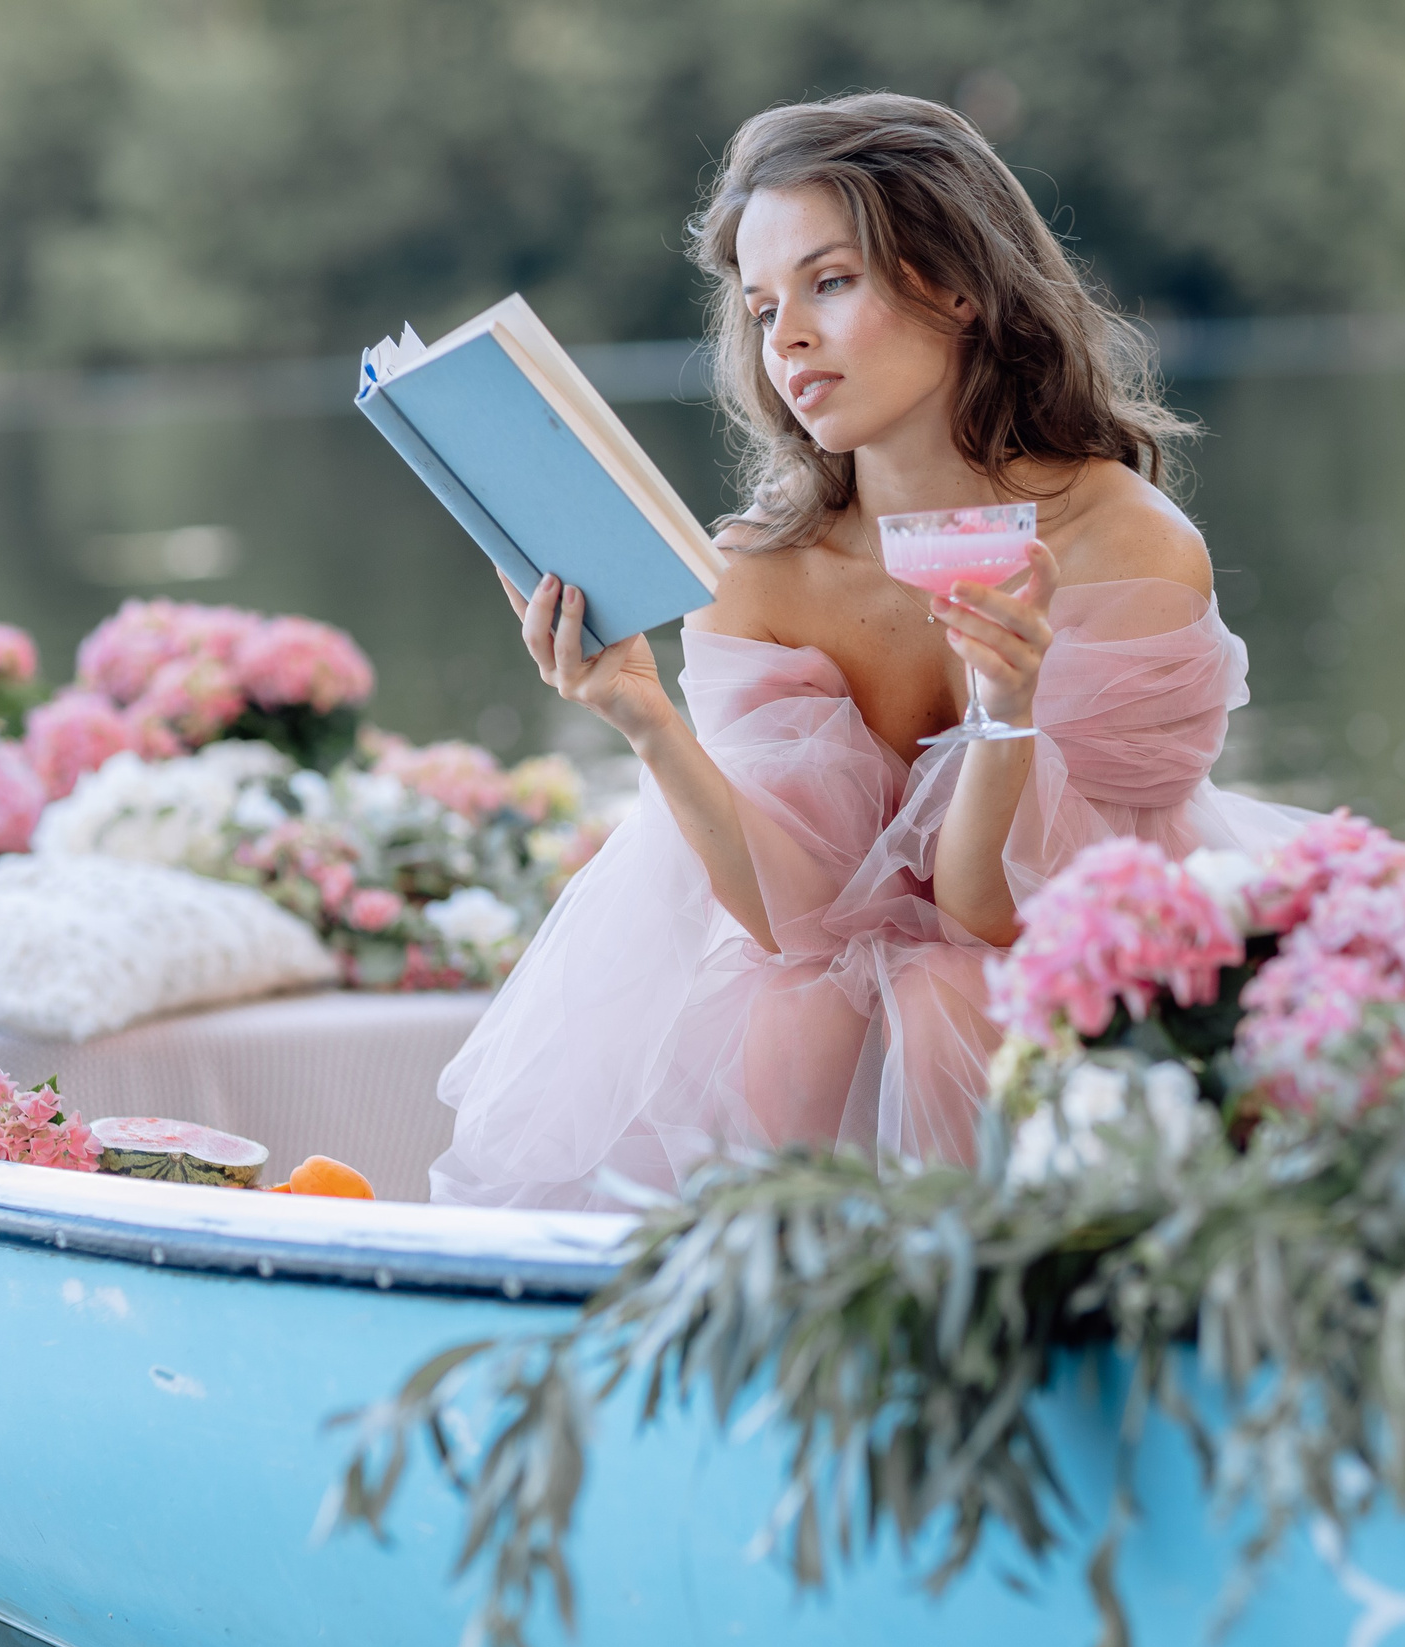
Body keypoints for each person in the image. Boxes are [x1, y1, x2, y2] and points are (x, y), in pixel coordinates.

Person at [431, 93, 1306, 1209]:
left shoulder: (1121, 543)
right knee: (798, 1005)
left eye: (828, 283)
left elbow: (1000, 920)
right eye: (760, 307)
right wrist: (646, 720)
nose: (785, 337)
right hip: (830, 1044)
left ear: (954, 284)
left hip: (1083, 1030)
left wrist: (1006, 707)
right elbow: (793, 923)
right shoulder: (756, 570)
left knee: (947, 1000)